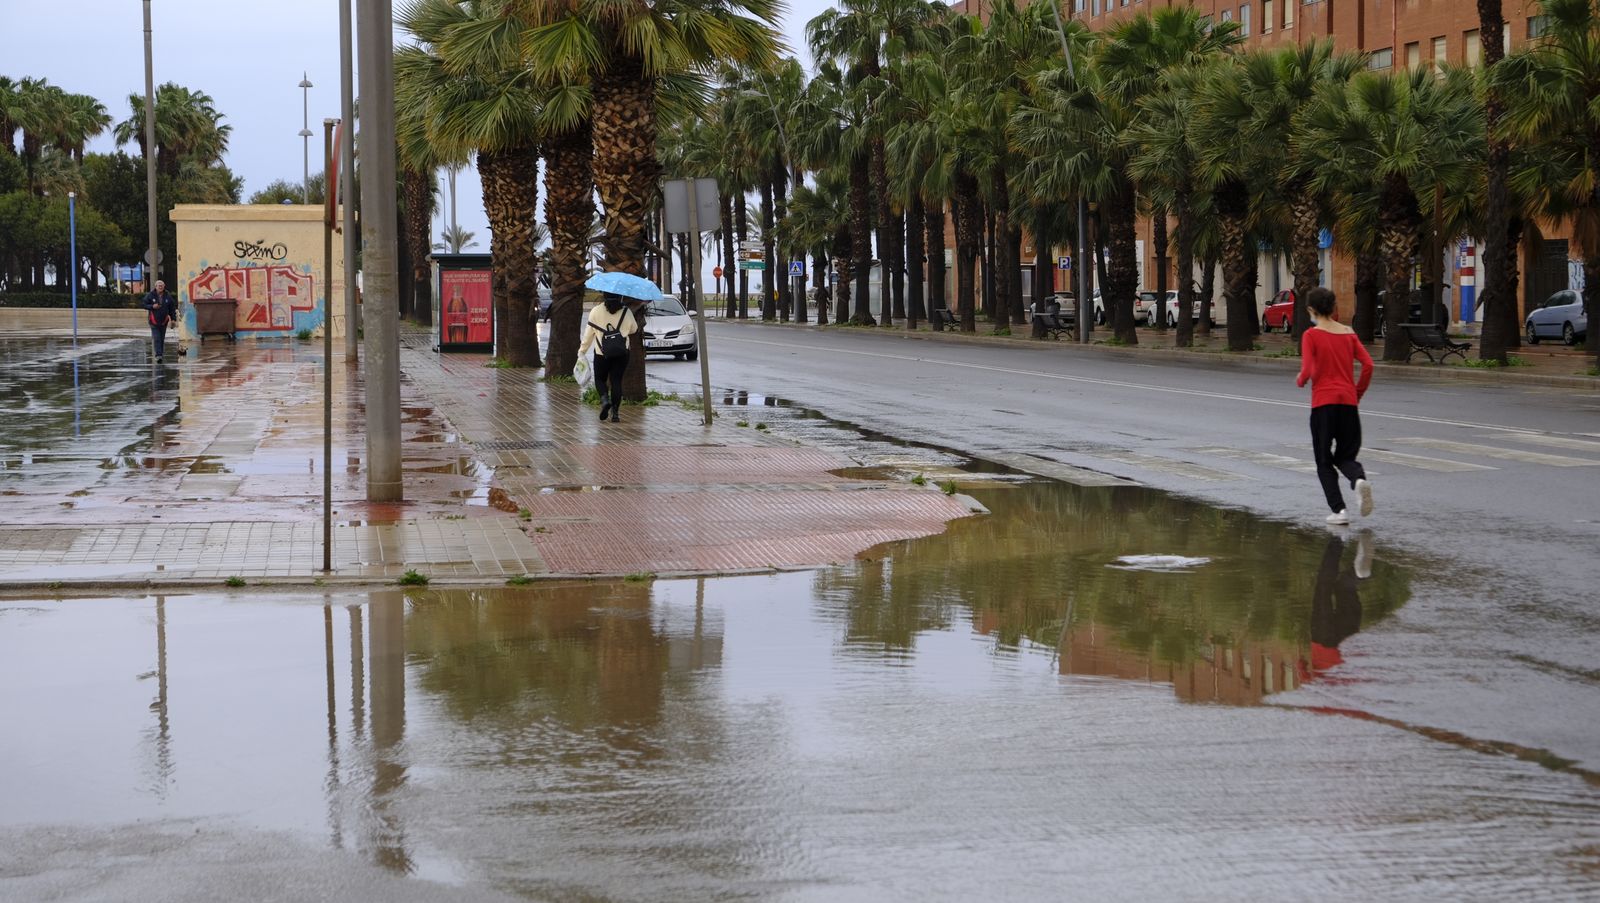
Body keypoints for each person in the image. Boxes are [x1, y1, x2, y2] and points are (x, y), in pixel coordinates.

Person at [1296, 287, 1374, 525]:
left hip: (1323, 404)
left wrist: (1301, 380)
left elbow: (1308, 370)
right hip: (1348, 404)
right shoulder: (1349, 333)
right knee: (1345, 455)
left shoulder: (1311, 335)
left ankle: (1339, 511)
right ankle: (1358, 479)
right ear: (1333, 308)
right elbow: (1368, 365)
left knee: (1323, 458)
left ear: (1311, 309)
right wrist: (1357, 393)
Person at [577, 292, 638, 423]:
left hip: (601, 353)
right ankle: (615, 413)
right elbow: (634, 329)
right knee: (616, 380)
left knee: (600, 379)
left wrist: (582, 351)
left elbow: (588, 335)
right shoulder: (626, 312)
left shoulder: (595, 311)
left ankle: (605, 400)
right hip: (622, 354)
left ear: (604, 296)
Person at [142, 280, 178, 361]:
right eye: (159, 285)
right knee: (157, 338)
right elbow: (143, 304)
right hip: (153, 321)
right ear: (156, 287)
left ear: (164, 286)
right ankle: (158, 355)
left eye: (162, 285)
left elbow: (172, 309)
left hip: (164, 321)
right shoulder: (150, 295)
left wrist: (173, 319)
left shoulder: (168, 296)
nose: (160, 287)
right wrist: (152, 306)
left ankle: (160, 353)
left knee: (161, 338)